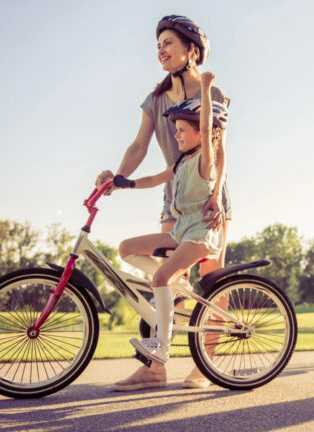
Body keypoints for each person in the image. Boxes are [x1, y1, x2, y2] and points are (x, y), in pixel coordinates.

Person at [96, 15, 231, 390]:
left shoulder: (211, 95)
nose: (161, 50)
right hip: (173, 199)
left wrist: (218, 194)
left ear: (191, 50)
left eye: (168, 43)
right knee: (164, 282)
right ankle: (154, 368)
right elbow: (139, 145)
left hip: (208, 200)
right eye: (158, 44)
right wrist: (117, 179)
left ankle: (205, 367)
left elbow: (220, 152)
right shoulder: (155, 100)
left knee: (211, 283)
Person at [114, 72, 226, 384]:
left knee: (161, 276)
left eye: (180, 131)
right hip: (180, 232)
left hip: (199, 235)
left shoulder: (205, 160)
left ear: (200, 136)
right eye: (175, 130)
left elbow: (206, 125)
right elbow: (152, 180)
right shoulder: (178, 163)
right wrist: (123, 183)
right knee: (126, 248)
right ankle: (173, 286)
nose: (175, 135)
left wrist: (204, 88)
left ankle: (161, 350)